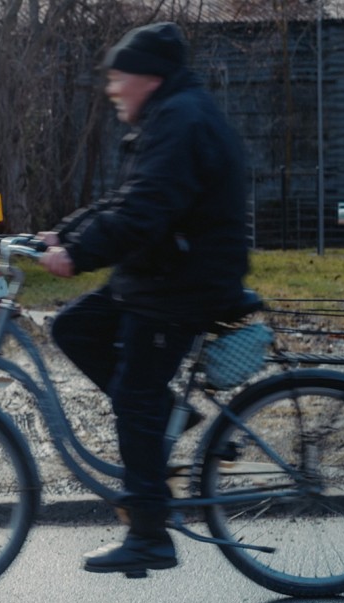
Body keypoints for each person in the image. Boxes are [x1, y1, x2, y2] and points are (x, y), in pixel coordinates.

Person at [38, 22, 250, 574]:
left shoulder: (181, 119)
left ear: (149, 78)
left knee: (134, 394)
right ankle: (164, 417)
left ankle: (150, 537)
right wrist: (64, 233)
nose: (112, 89)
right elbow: (129, 197)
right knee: (75, 327)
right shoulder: (168, 114)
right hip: (159, 274)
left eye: (119, 77)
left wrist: (76, 257)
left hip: (183, 284)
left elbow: (144, 213)